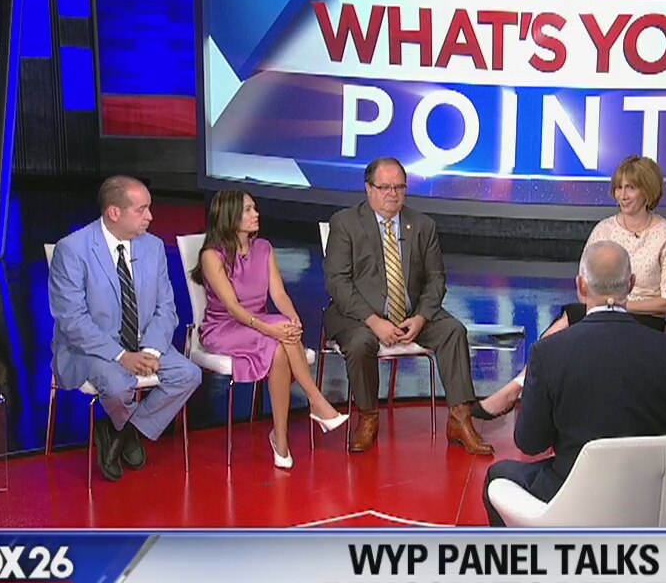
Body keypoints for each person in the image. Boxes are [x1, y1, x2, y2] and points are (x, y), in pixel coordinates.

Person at [482, 241, 666, 526]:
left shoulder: (548, 353)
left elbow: (530, 442)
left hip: (571, 495)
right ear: (631, 284)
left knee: (498, 475)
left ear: (581, 286)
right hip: (649, 499)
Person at [473, 155, 666, 419]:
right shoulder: (604, 230)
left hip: (645, 321)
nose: (622, 195)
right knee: (567, 320)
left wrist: (621, 305)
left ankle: (516, 390)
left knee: (572, 318)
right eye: (619, 188)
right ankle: (521, 388)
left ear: (648, 190)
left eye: (630, 188)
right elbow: (585, 283)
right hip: (599, 312)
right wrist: (605, 305)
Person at [322, 157, 492, 455]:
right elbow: (338, 283)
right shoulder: (345, 223)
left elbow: (436, 279)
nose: (393, 194)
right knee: (361, 343)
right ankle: (368, 416)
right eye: (385, 187)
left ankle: (460, 418)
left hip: (411, 315)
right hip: (359, 317)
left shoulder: (422, 225)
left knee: (453, 330)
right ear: (368, 188)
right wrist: (374, 321)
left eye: (399, 187)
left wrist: (422, 317)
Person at [49, 175, 202, 482]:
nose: (151, 216)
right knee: (119, 386)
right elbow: (72, 320)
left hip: (144, 341)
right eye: (141, 209)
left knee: (189, 374)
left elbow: (166, 308)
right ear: (114, 212)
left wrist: (151, 350)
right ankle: (128, 431)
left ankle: (121, 431)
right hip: (90, 348)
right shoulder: (73, 250)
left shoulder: (153, 246)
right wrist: (122, 356)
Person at [192, 190, 348, 469]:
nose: (256, 214)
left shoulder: (264, 248)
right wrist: (273, 329)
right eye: (248, 210)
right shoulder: (211, 256)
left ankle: (280, 438)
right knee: (279, 334)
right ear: (229, 216)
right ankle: (316, 400)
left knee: (279, 349)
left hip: (262, 327)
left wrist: (294, 318)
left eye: (255, 208)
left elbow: (279, 294)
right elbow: (233, 308)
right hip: (225, 328)